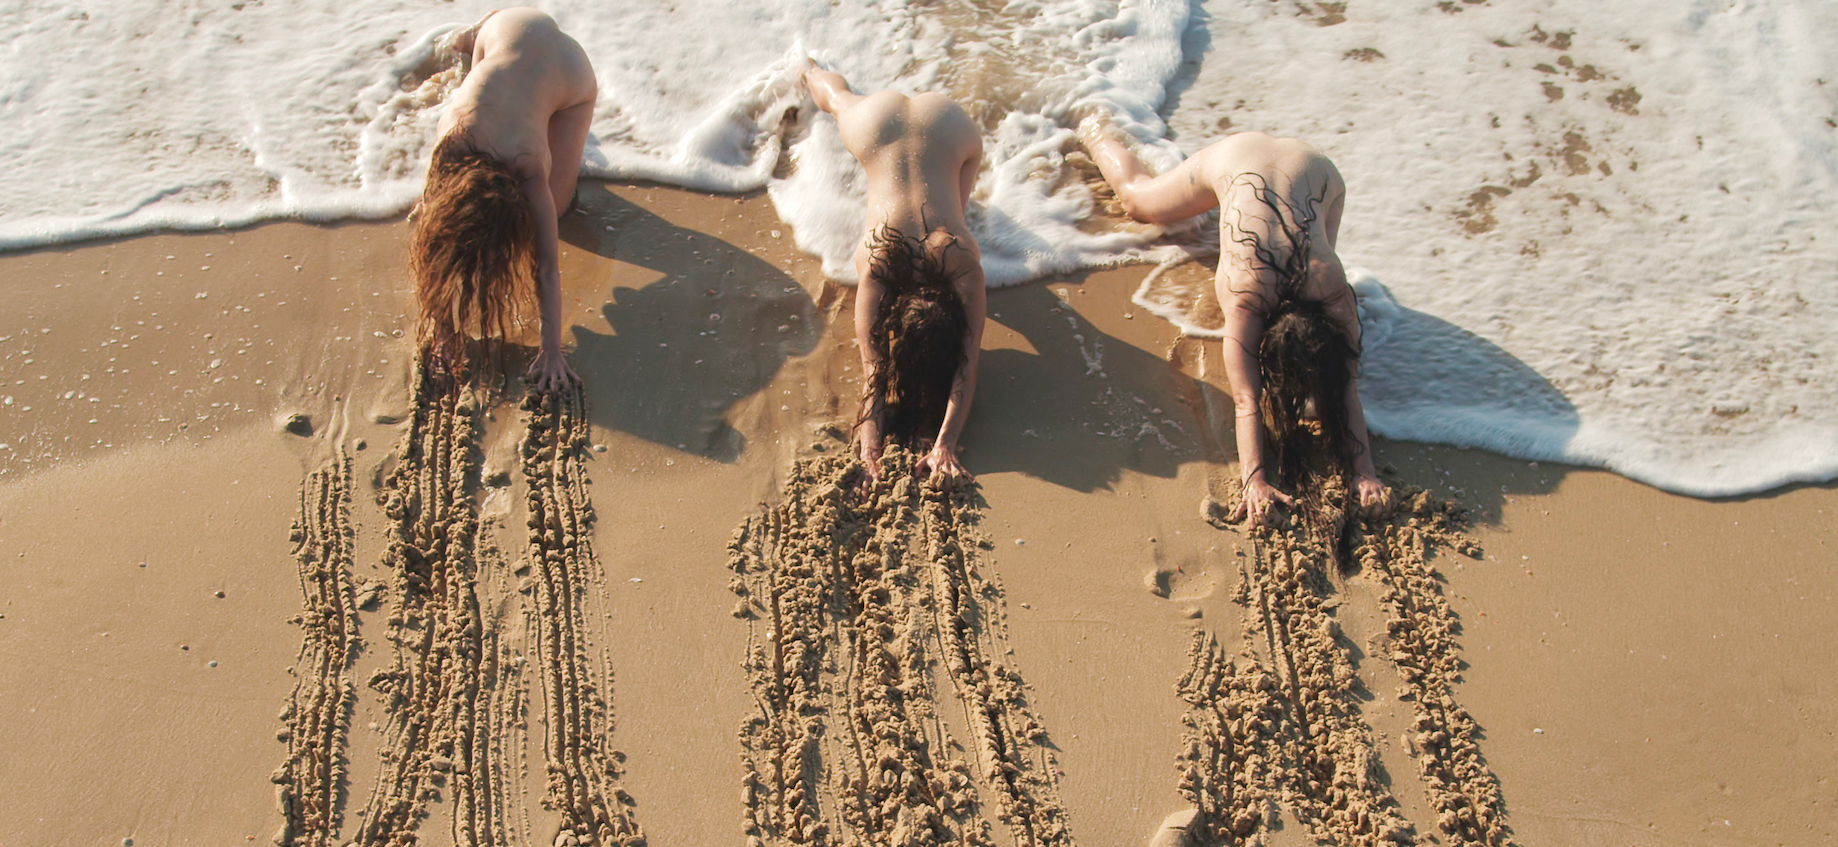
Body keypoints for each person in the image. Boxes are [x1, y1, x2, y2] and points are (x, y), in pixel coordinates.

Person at [1078, 118, 1391, 526]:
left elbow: (1343, 378)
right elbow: (1247, 399)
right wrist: (1254, 480)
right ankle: (1091, 127)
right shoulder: (1248, 295)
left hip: (1320, 174)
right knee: (1138, 201)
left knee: (1315, 244)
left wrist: (1363, 473)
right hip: (1250, 161)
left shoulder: (1330, 284)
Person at [803, 63, 987, 488]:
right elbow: (964, 365)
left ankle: (808, 68)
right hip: (913, 126)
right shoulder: (943, 262)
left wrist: (874, 456)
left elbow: (877, 374)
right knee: (839, 103)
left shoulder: (949, 259)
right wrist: (944, 445)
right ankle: (806, 69)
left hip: (944, 125)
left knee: (835, 97)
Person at [411, 8, 596, 391]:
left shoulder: (528, 166)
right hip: (504, 29)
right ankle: (471, 37)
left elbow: (546, 267)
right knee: (497, 81)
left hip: (570, 69)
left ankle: (540, 103)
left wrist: (552, 349)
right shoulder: (453, 140)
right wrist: (443, 327)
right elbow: (436, 236)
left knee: (558, 210)